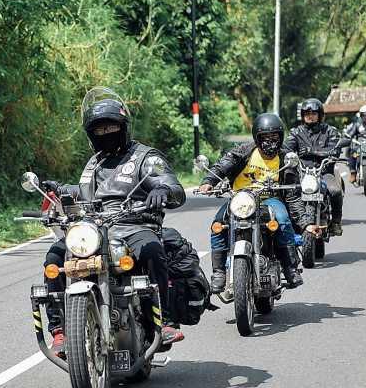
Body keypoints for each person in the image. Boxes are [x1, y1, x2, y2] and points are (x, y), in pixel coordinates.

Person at [40, 87, 187, 358]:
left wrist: (162, 191)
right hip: (96, 230)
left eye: (111, 128)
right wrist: (58, 189)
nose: (106, 135)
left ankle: (164, 320)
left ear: (123, 127)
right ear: (91, 135)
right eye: (99, 131)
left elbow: (172, 186)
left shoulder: (145, 157)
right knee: (55, 257)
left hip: (135, 225)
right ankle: (60, 330)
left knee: (153, 249)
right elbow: (86, 194)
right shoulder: (94, 164)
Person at [198, 113, 304, 293]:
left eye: (274, 137)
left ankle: (290, 267)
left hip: (270, 199)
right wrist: (209, 182)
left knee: (283, 219)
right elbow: (222, 166)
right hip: (240, 199)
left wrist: (306, 223)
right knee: (217, 225)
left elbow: (293, 194)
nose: (270, 141)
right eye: (265, 137)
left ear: (281, 137)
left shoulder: (286, 157)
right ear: (257, 137)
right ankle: (218, 272)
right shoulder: (243, 151)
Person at [284, 98, 345, 236]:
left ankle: (335, 222)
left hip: (324, 172)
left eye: (313, 113)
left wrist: (311, 152)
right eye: (306, 113)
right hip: (301, 173)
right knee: (285, 191)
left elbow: (334, 151)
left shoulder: (330, 131)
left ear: (320, 114)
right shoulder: (296, 132)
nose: (309, 116)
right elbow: (286, 149)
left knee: (335, 190)